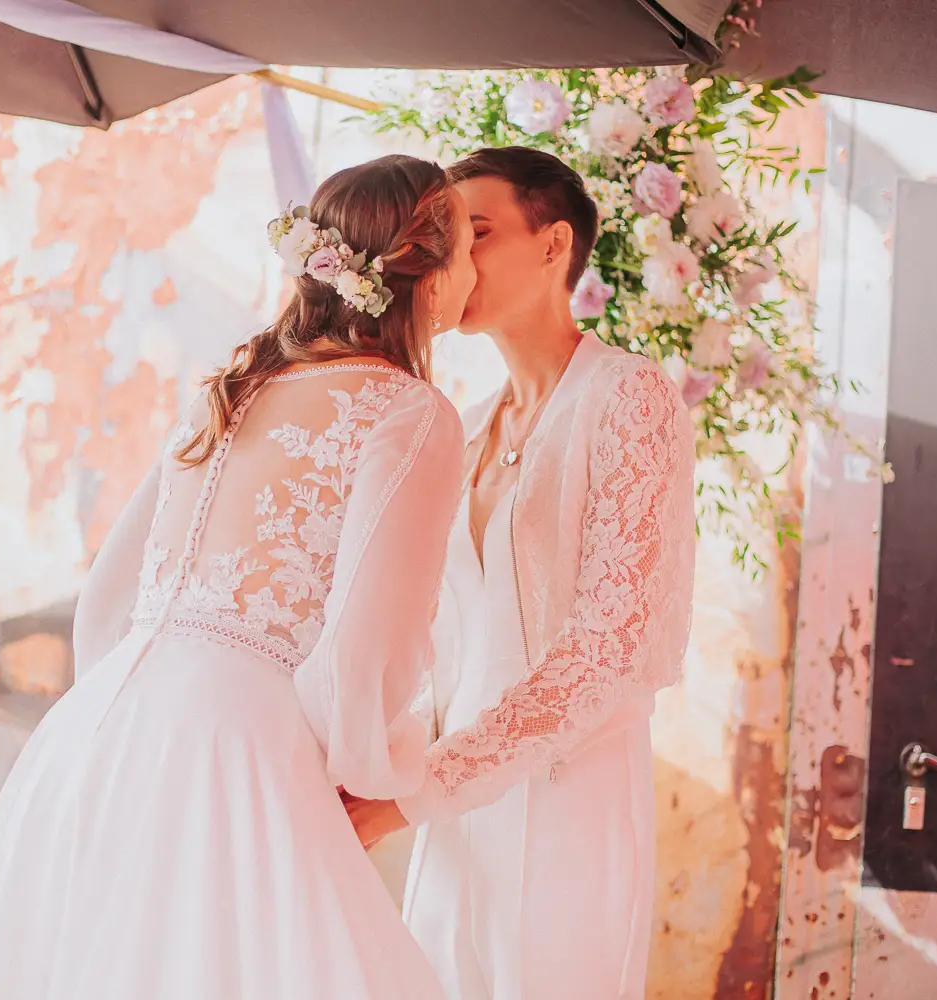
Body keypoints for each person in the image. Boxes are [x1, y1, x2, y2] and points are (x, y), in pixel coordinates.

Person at [0, 154, 476, 1000]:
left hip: (94, 732)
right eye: (469, 246)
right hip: (238, 748)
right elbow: (370, 642)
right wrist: (368, 770)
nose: (474, 268)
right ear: (427, 279)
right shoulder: (410, 412)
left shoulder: (237, 386)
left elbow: (110, 592)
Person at [345, 146, 696, 999]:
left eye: (479, 231)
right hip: (452, 808)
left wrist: (414, 798)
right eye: (446, 235)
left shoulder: (629, 398)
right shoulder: (459, 430)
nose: (451, 256)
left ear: (553, 246)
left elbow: (611, 650)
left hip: (568, 799)